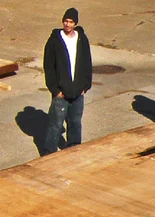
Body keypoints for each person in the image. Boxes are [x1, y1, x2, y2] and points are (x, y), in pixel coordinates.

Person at [42, 7, 93, 155]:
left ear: (75, 24)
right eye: (66, 21)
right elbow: (49, 67)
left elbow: (87, 63)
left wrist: (86, 86)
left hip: (78, 91)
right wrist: (55, 90)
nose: (68, 24)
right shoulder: (54, 41)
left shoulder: (82, 39)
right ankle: (48, 153)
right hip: (61, 93)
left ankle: (74, 150)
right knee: (55, 124)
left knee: (75, 123)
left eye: (71, 22)